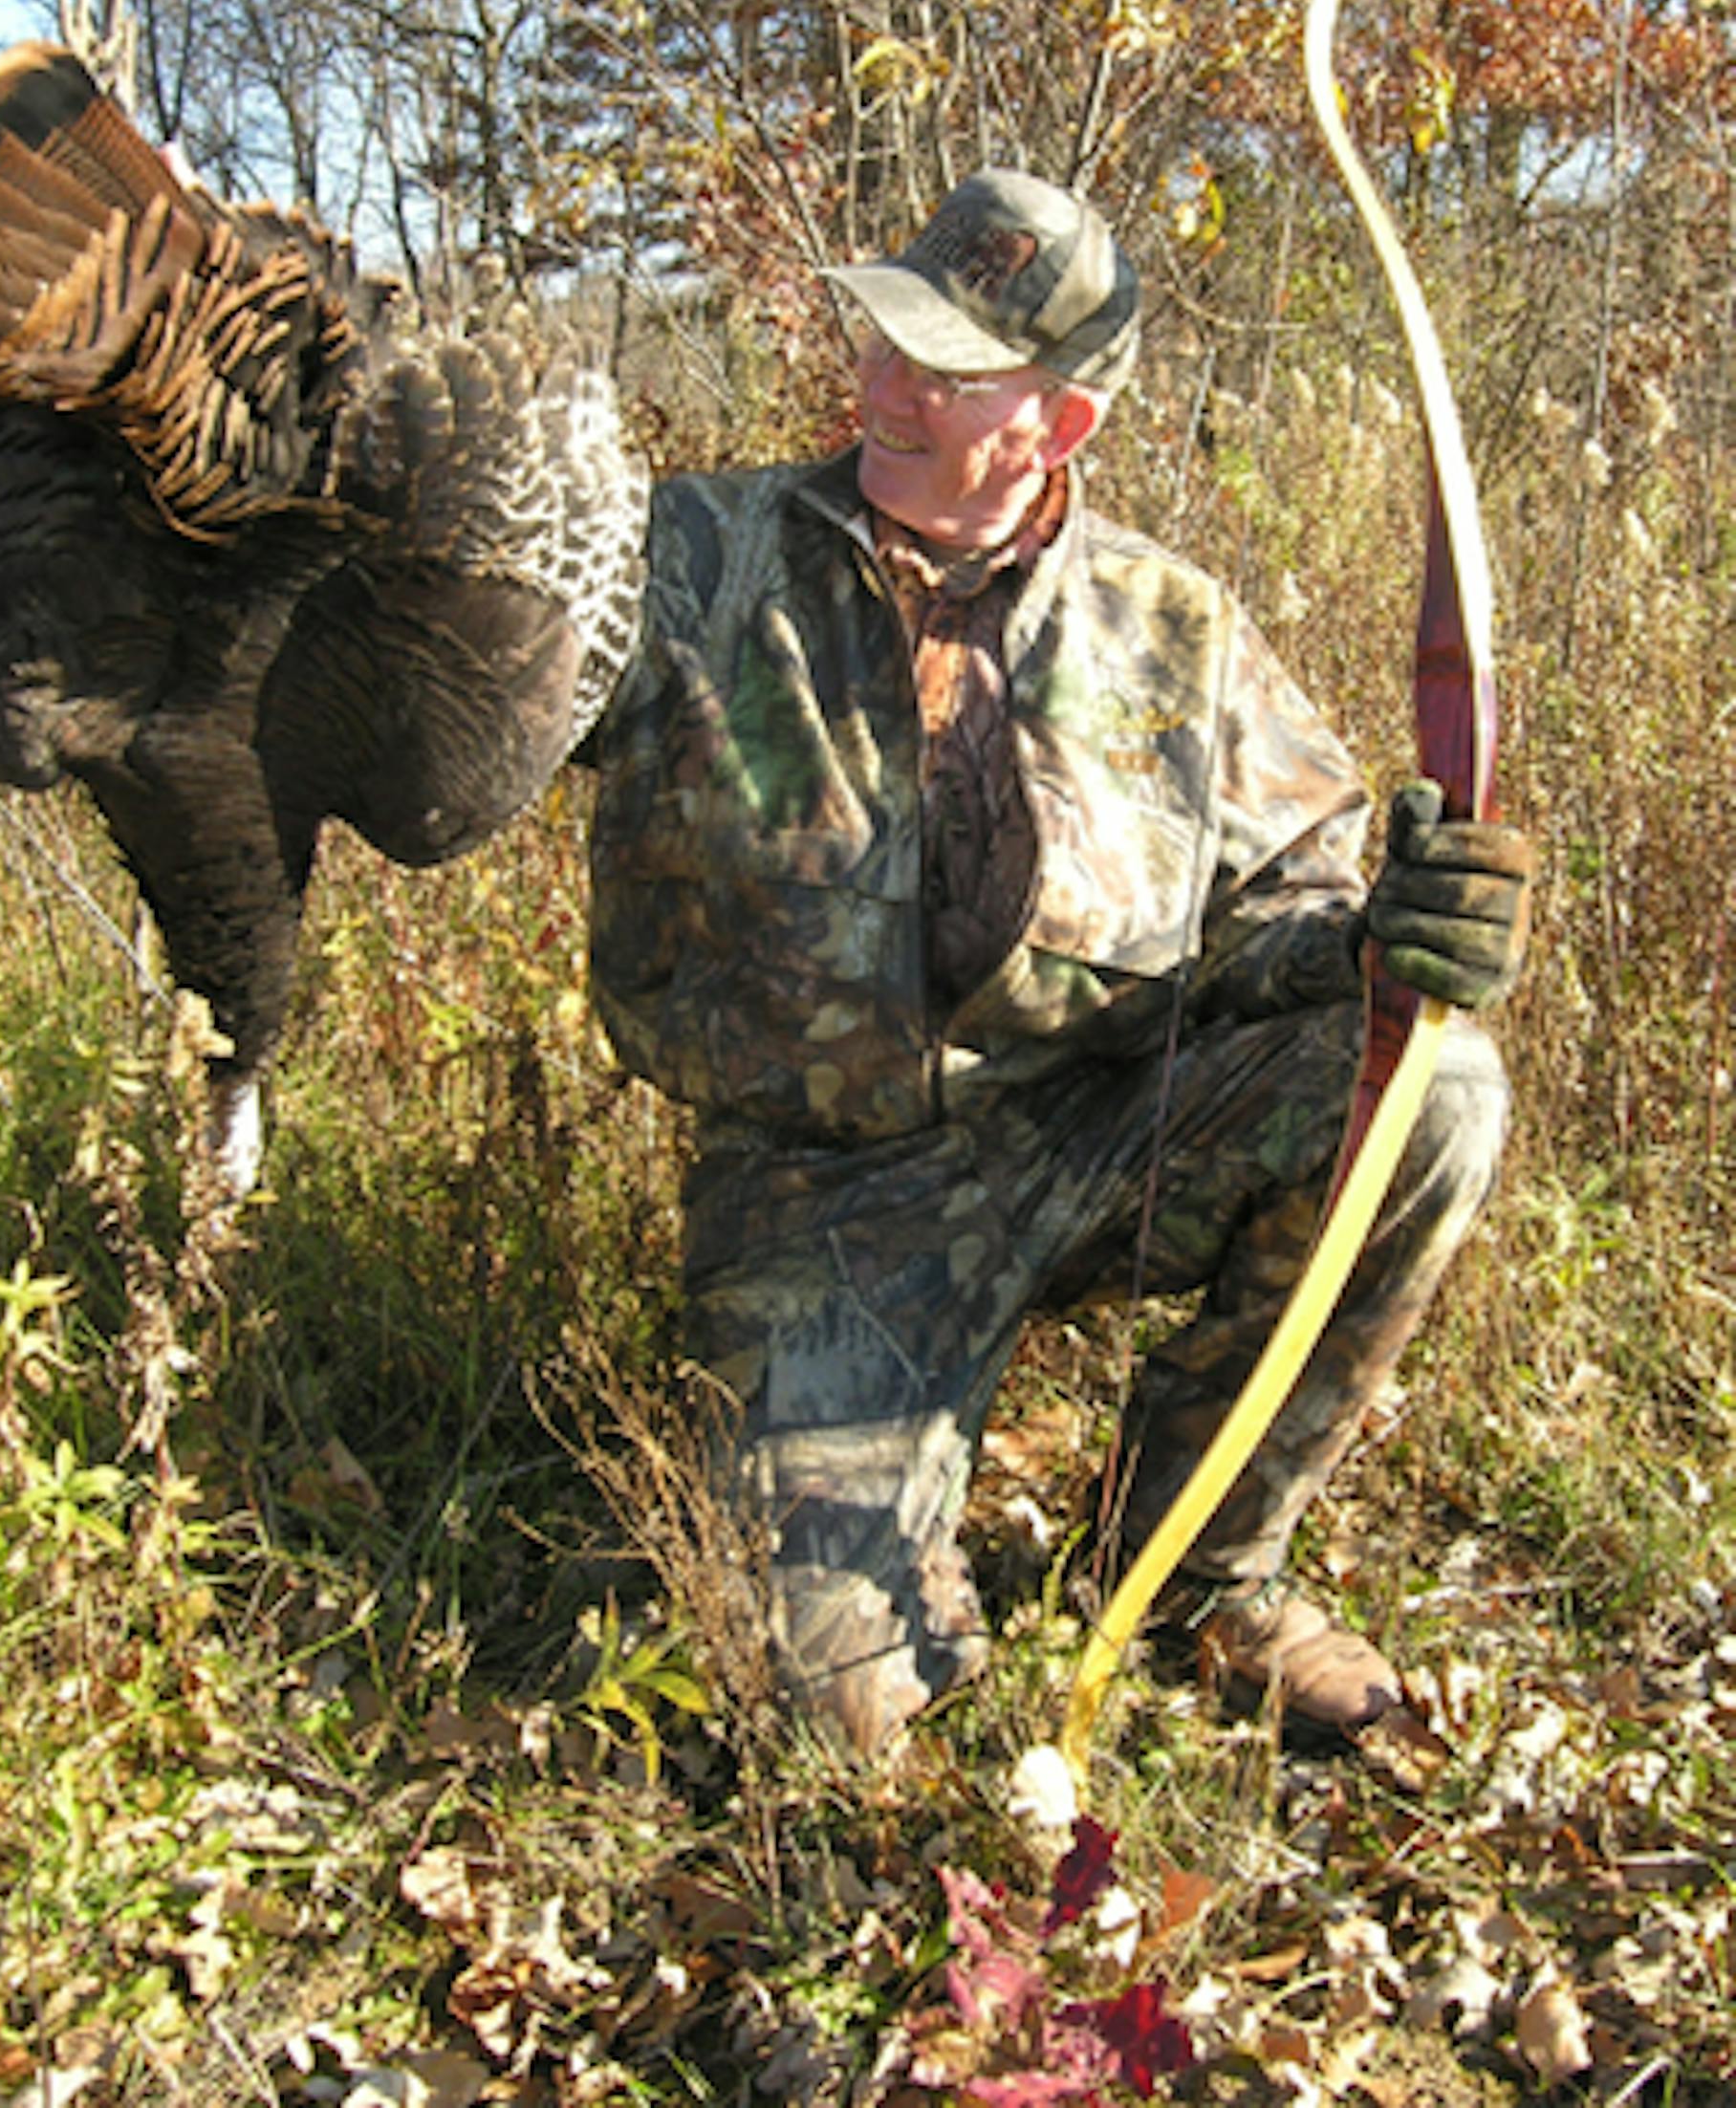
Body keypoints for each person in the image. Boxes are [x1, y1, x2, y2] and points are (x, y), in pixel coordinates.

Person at [584, 170, 1533, 1756]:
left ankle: (1195, 1571)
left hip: (1102, 1138)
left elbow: (1286, 926)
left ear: (1060, 426)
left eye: (943, 373)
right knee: (834, 1722)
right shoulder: (696, 558)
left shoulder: (1176, 628)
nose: (881, 387)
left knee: (1434, 1089)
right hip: (826, 1198)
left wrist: (1395, 938)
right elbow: (482, 629)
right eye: (884, 341)